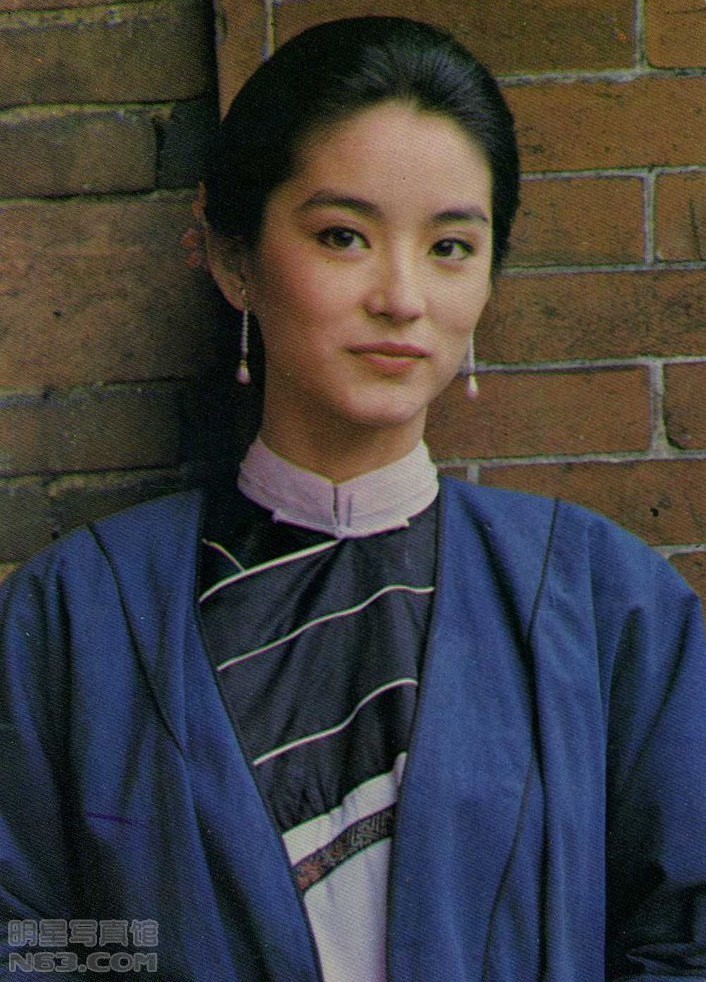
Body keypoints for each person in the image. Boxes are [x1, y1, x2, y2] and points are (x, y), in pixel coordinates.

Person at [1, 15, 705, 981]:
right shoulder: (75, 619)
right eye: (343, 236)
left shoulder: (607, 606)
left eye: (451, 246)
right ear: (234, 259)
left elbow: (685, 935)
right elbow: (26, 939)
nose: (402, 296)